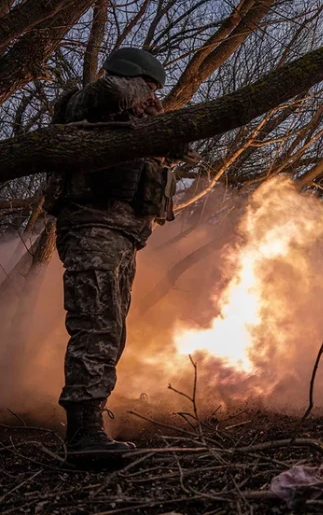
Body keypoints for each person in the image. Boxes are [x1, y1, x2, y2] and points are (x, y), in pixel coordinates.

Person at [43, 48, 199, 460]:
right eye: (148, 88)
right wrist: (136, 90)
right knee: (95, 326)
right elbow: (108, 93)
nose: (151, 97)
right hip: (93, 227)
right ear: (133, 79)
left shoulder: (137, 121)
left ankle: (89, 426)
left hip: (123, 236)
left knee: (111, 328)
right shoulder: (86, 102)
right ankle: (82, 435)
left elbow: (180, 146)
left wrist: (159, 118)